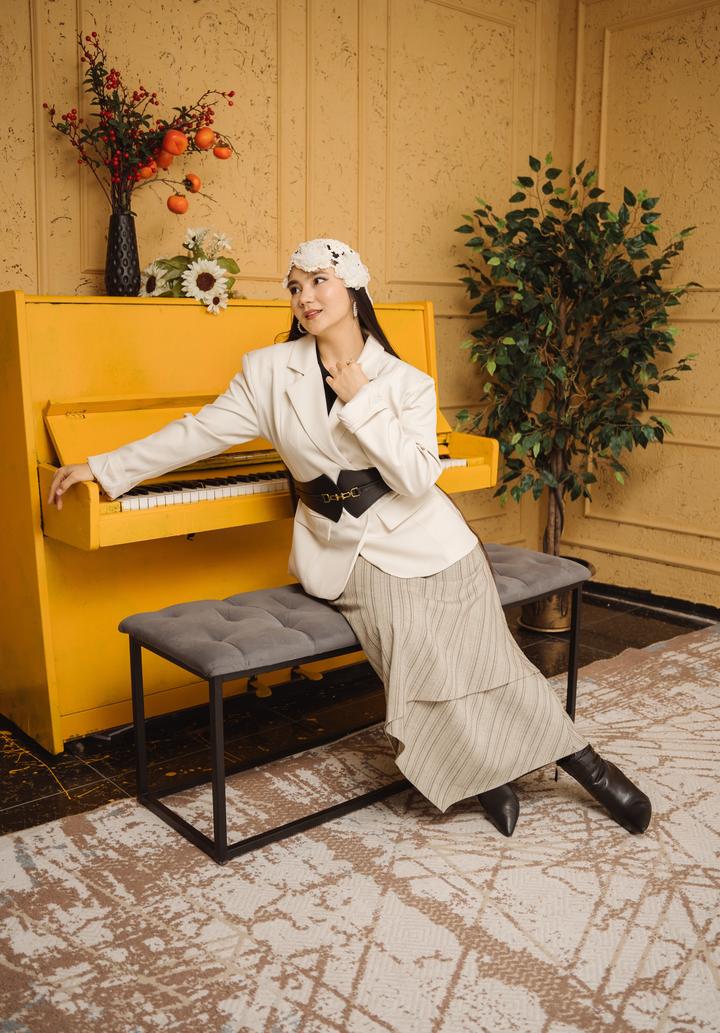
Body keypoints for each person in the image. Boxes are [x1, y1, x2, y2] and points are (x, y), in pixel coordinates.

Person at [48, 237, 652, 838]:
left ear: (354, 290)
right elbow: (196, 433)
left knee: (485, 650)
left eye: (319, 281)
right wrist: (102, 467)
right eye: (295, 286)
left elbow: (416, 479)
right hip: (346, 548)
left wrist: (363, 402)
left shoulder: (405, 382)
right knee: (415, 640)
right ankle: (491, 771)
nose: (304, 297)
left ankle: (585, 767)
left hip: (432, 536)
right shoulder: (267, 372)